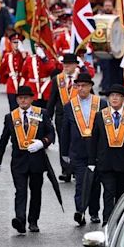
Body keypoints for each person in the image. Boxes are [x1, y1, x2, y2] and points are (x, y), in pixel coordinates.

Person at [0, 86, 56, 234]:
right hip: (19, 160)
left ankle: (33, 221)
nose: (23, 100)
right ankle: (20, 219)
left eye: (26, 97)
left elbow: (51, 133)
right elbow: (3, 139)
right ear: (16, 100)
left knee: (35, 191)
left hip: (37, 159)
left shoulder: (42, 113)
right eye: (20, 98)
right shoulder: (11, 116)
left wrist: (43, 142)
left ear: (32, 99)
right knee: (20, 190)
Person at [89, 84, 124, 224]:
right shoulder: (100, 116)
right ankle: (107, 222)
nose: (114, 98)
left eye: (118, 96)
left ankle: (120, 222)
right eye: (111, 96)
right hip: (105, 163)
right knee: (108, 192)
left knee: (122, 195)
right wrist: (91, 162)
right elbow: (94, 139)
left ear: (123, 99)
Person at [61, 73, 103, 226]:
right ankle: (80, 211)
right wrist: (64, 153)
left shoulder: (100, 103)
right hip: (78, 151)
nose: (81, 88)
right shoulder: (69, 106)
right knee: (80, 183)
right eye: (78, 86)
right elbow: (65, 130)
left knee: (95, 183)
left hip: (97, 150)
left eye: (84, 85)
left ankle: (94, 212)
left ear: (91, 86)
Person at [47, 53, 80, 182]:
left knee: (76, 142)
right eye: (64, 64)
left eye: (69, 64)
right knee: (64, 142)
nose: (66, 67)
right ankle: (65, 170)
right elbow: (52, 98)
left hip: (78, 116)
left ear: (75, 65)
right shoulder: (57, 79)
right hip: (61, 116)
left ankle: (76, 169)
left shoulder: (81, 79)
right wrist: (48, 117)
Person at [20, 43, 56, 108]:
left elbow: (52, 70)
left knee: (46, 112)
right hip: (33, 89)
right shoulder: (30, 59)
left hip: (46, 88)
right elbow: (24, 74)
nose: (38, 49)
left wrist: (44, 58)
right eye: (36, 47)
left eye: (40, 47)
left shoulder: (48, 58)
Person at [0, 33, 27, 110]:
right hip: (11, 85)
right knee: (13, 108)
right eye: (15, 42)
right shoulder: (7, 56)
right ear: (11, 43)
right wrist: (7, 74)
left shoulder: (25, 55)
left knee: (23, 108)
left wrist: (23, 54)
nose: (17, 45)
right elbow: (1, 70)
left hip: (22, 83)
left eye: (18, 42)